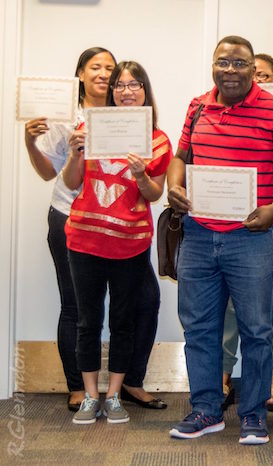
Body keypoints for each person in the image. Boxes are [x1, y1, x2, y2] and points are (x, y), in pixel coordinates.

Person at [166, 35, 273, 445]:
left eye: (240, 63)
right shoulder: (197, 106)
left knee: (257, 330)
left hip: (252, 236)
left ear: (252, 69)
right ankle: (206, 410)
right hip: (198, 235)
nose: (230, 70)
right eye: (223, 62)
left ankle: (253, 414)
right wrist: (174, 186)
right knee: (199, 328)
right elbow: (180, 157)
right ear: (213, 65)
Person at [62, 60, 173, 425]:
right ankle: (90, 396)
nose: (127, 91)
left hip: (130, 244)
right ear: (111, 92)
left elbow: (154, 193)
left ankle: (113, 396)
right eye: (120, 85)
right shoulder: (89, 129)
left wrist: (141, 175)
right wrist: (76, 152)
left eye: (134, 84)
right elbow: (71, 182)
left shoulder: (158, 140)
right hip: (85, 240)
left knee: (123, 321)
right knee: (88, 321)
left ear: (145, 90)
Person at [23, 47, 115, 413]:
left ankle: (130, 384)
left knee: (140, 301)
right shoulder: (65, 117)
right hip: (69, 215)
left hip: (113, 221)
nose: (103, 73)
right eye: (95, 67)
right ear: (80, 74)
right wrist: (30, 141)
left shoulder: (125, 114)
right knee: (75, 305)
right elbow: (48, 172)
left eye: (109, 67)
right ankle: (77, 386)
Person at [221, 52, 273, 413]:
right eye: (257, 74)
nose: (260, 81)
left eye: (267, 76)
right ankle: (222, 374)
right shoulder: (225, 112)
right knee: (230, 305)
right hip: (232, 224)